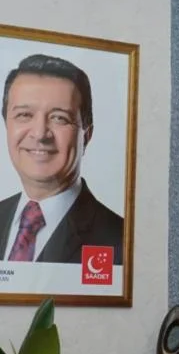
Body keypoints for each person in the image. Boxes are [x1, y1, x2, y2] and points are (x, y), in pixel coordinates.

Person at [0, 53, 123, 265]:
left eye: (59, 118)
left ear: (87, 135)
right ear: (6, 125)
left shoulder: (122, 240)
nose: (40, 134)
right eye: (24, 115)